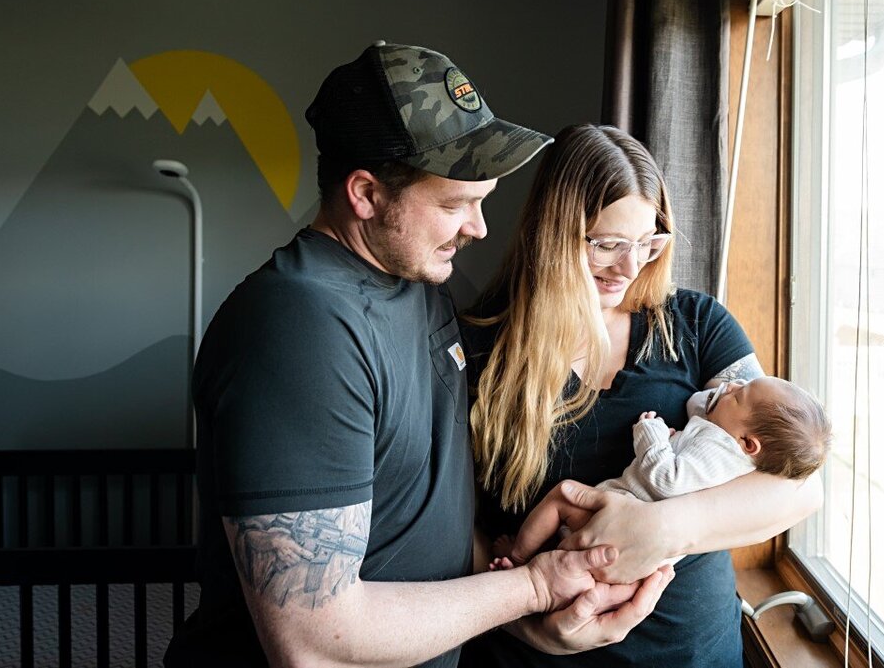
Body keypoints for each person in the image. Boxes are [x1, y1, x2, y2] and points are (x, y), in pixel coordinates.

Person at [164, 45, 673, 668]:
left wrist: (536, 607)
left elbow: (425, 514)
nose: (479, 228)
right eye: (455, 204)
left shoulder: (422, 287)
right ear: (366, 194)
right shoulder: (299, 325)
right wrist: (532, 588)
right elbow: (313, 642)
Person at [462, 123, 824, 667]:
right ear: (552, 234)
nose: (630, 268)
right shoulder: (476, 345)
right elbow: (447, 528)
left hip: (695, 654)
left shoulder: (697, 325)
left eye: (647, 243)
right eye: (607, 244)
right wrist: (531, 630)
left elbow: (798, 488)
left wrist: (661, 530)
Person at [493, 376, 831, 569]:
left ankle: (518, 557)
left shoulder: (720, 451)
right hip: (636, 551)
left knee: (562, 495)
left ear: (748, 443)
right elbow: (697, 408)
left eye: (739, 394)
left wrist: (651, 433)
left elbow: (669, 481)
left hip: (620, 514)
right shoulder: (732, 444)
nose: (730, 386)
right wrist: (723, 401)